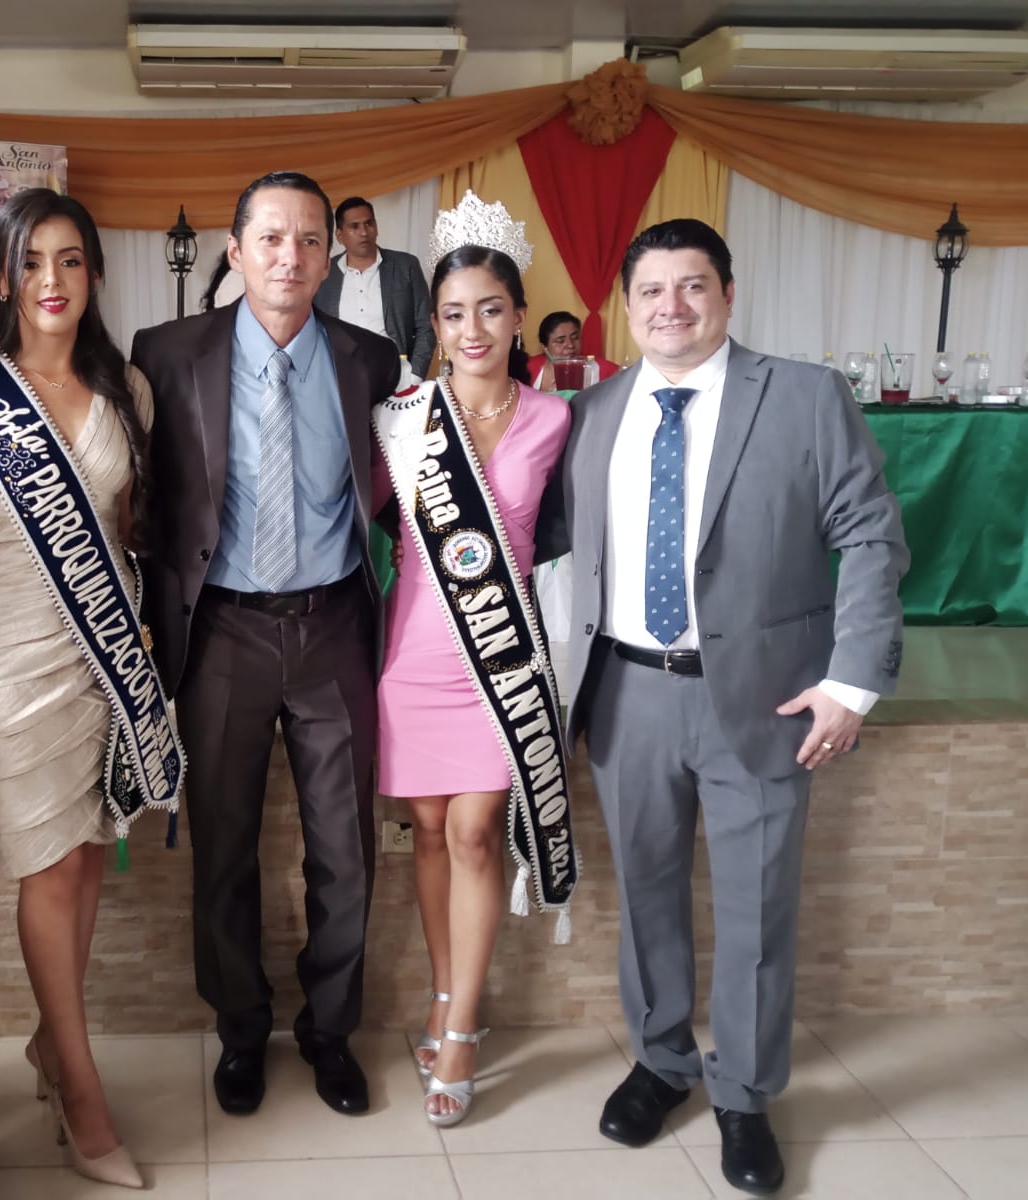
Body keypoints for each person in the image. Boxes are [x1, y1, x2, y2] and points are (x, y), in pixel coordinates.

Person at [536, 219, 908, 1195]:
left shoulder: (803, 396)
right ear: (626, 306)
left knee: (756, 907)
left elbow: (871, 534)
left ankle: (743, 1093)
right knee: (647, 896)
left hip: (765, 698)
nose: (671, 307)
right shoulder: (594, 409)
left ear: (728, 294)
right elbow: (542, 534)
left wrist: (851, 681)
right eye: (651, 290)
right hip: (627, 693)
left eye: (692, 285)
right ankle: (663, 1063)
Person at [0, 188, 180, 1191]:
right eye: (31, 260)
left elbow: (128, 523)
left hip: (101, 641)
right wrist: (1, 525)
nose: (51, 280)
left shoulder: (129, 389)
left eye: (71, 260)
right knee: (46, 863)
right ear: (0, 275)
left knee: (82, 852)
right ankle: (81, 1092)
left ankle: (48, 1044)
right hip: (6, 648)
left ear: (94, 274)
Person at [130, 171, 400, 1119]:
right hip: (222, 631)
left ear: (331, 257)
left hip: (334, 626)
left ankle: (331, 1031)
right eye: (272, 238)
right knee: (223, 845)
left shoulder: (372, 361)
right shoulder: (166, 353)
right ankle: (240, 1030)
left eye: (310, 240)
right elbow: (141, 496)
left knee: (345, 849)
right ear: (236, 250)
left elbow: (398, 495)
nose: (291, 256)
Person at [372, 193, 577, 1128]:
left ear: (518, 316)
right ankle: (446, 994)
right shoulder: (402, 419)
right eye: (453, 314)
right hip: (414, 649)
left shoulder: (556, 421)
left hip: (500, 657)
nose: (472, 330)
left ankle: (460, 1032)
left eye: (490, 309)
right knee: (426, 830)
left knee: (474, 832)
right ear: (435, 323)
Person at [315, 195, 435, 382]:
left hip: (396, 374)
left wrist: (415, 376)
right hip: (342, 376)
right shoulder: (325, 274)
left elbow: (426, 325)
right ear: (339, 235)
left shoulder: (405, 266)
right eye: (355, 226)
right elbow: (314, 330)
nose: (364, 232)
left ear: (376, 227)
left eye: (369, 224)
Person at [529, 309, 618, 392]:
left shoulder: (603, 370)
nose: (570, 345)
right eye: (560, 341)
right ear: (545, 347)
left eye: (575, 338)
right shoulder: (526, 368)